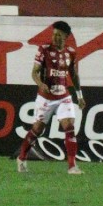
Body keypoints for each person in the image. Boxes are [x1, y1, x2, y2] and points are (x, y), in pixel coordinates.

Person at [16, 21, 85, 175]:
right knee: (37, 129)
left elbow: (74, 75)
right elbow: (34, 72)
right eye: (54, 34)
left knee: (69, 126)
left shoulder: (71, 52)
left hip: (63, 96)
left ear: (66, 37)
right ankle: (21, 158)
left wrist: (80, 96)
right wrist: (41, 84)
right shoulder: (44, 49)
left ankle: (72, 166)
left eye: (59, 35)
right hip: (45, 98)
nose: (55, 37)